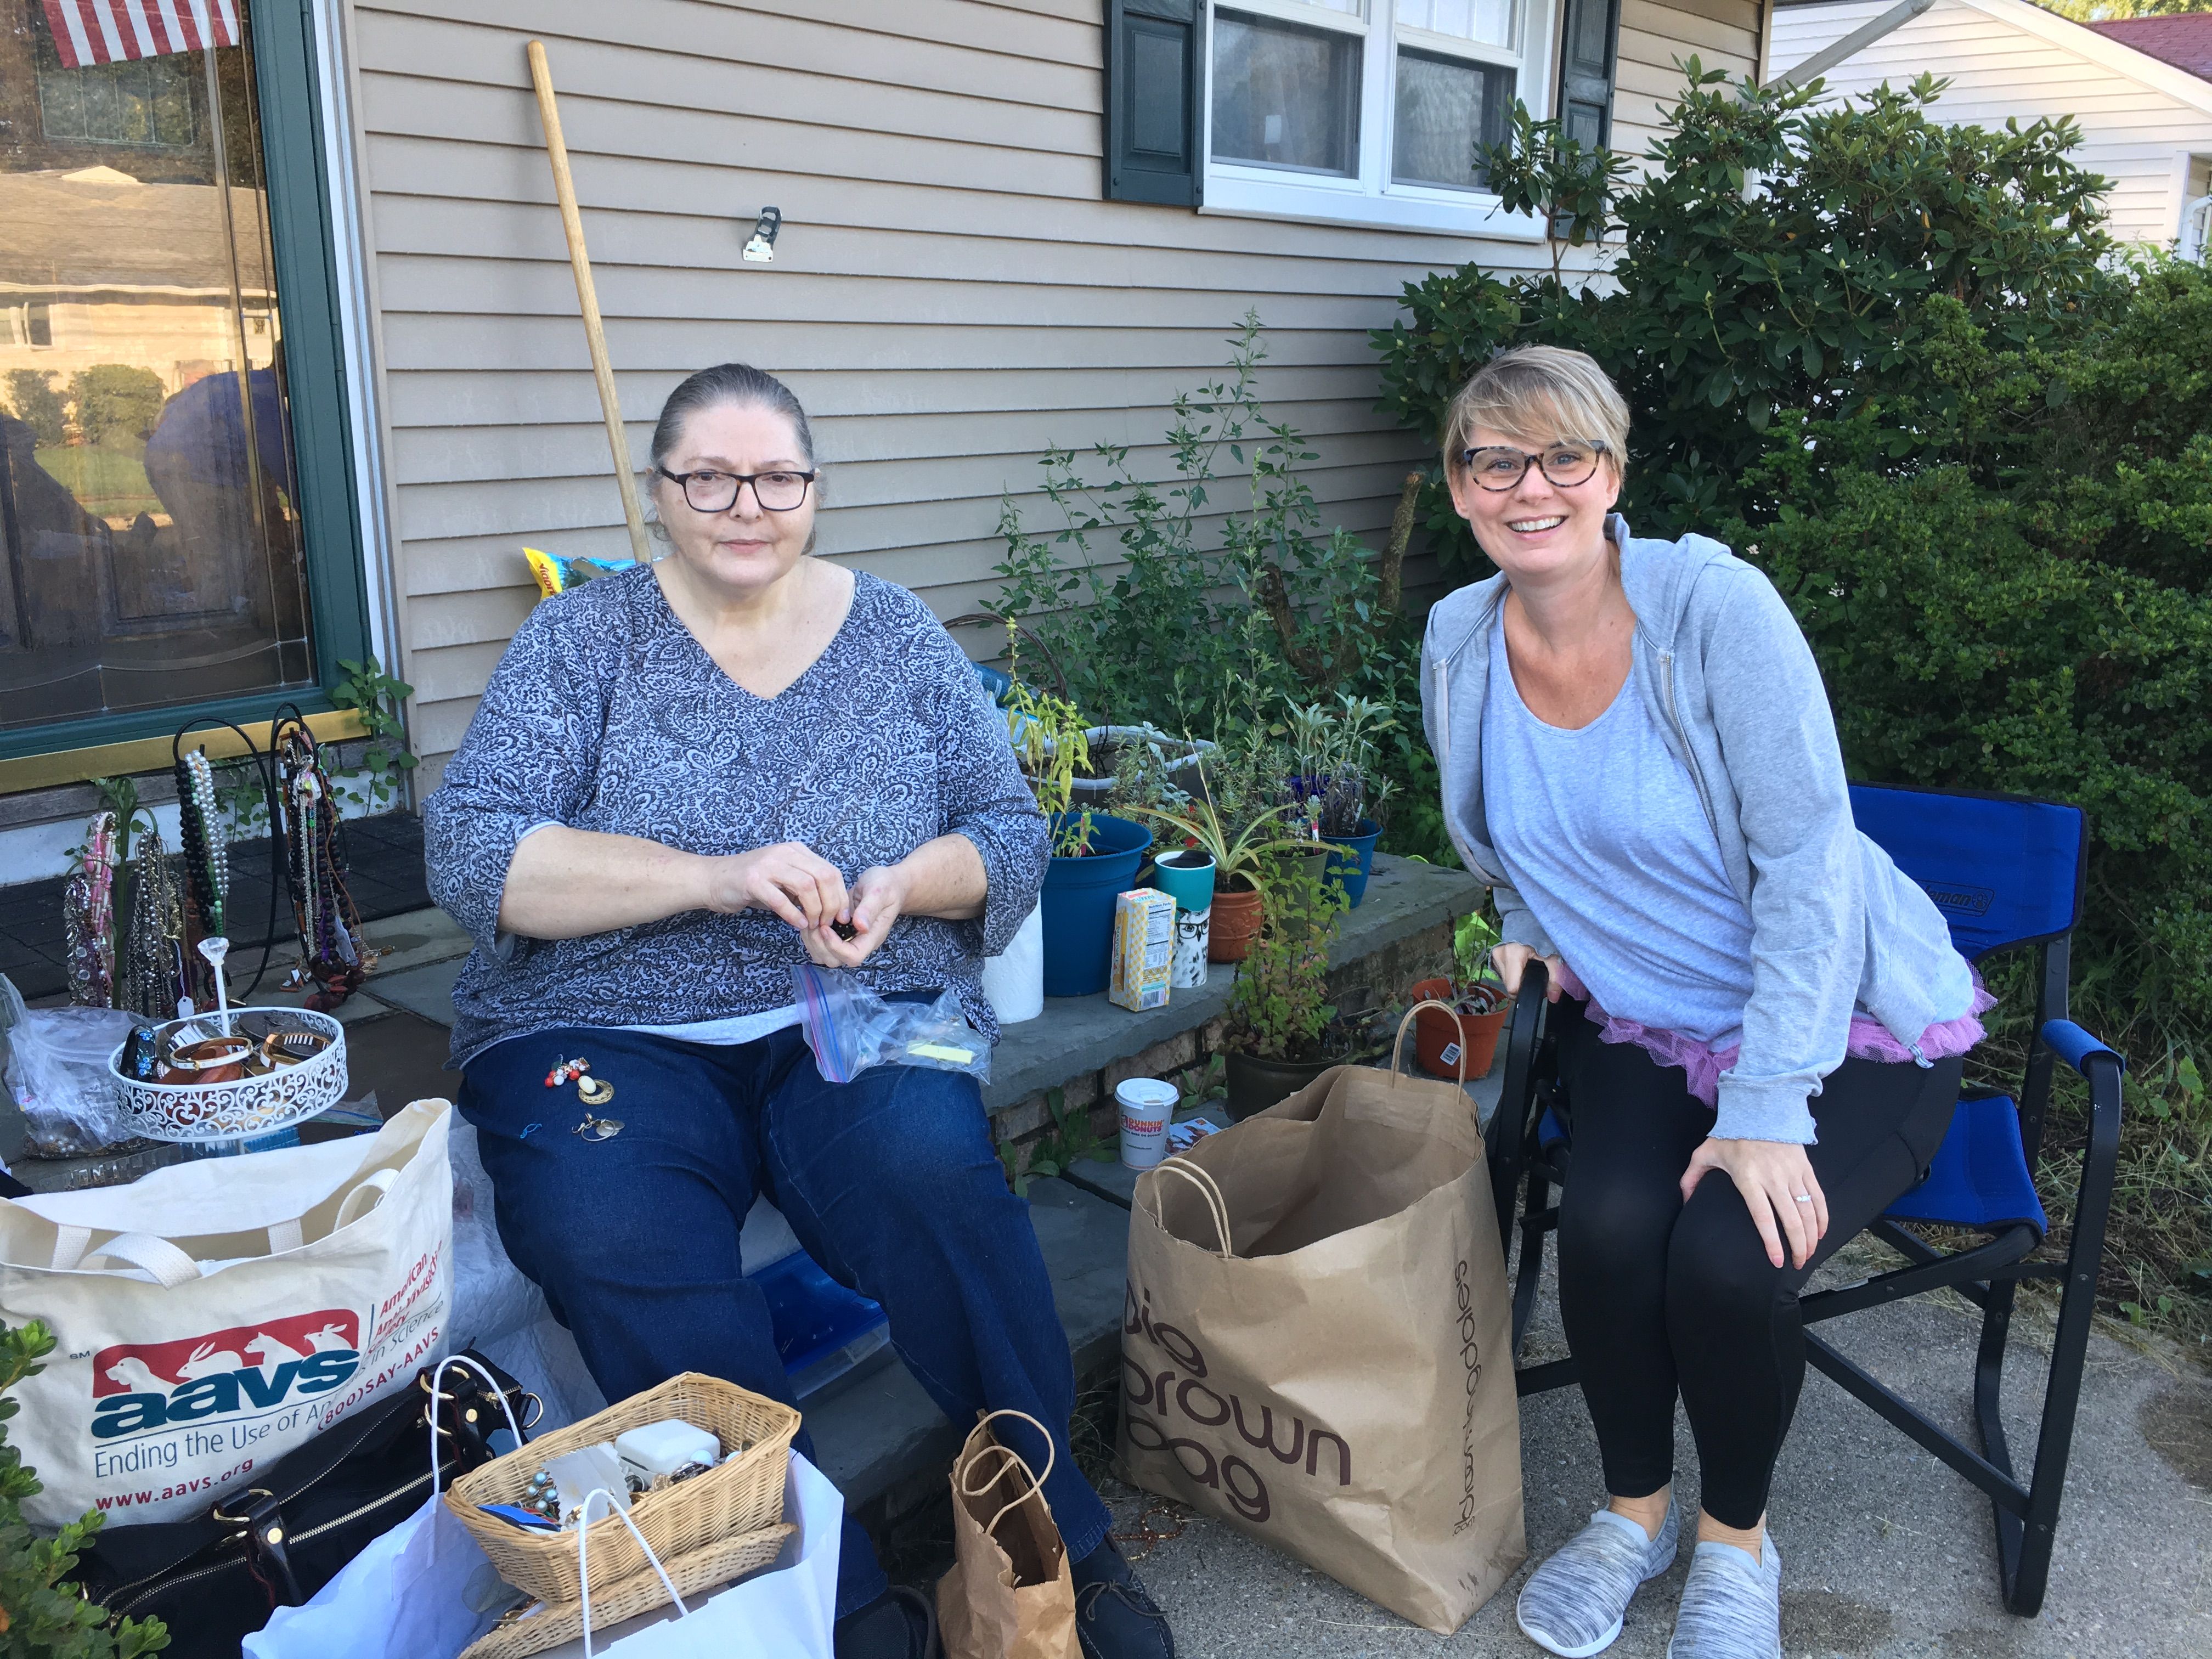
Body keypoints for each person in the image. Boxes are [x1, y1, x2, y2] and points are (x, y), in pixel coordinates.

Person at [424, 364, 1175, 1659]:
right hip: (607, 1024)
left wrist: (907, 883)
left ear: (814, 490)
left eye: (775, 477)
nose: (743, 505)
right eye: (706, 476)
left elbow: (1008, 831)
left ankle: (1059, 1539)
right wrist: (710, 878)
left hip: (851, 1006)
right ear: (660, 494)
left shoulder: (894, 634)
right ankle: (831, 1594)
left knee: (930, 1172)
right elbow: (476, 858)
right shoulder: (581, 642)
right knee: (604, 1220)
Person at [1418, 348, 1987, 1659]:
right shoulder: (1459, 640)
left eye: (1567, 456)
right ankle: (1636, 1517)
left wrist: (1770, 1107)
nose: (1531, 486)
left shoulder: (1713, 610)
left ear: (1613, 474)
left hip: (1836, 1023)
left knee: (1729, 1257)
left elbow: (1808, 867)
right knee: (1611, 1234)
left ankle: (1738, 1541)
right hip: (1646, 1022)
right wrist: (1525, 933)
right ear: (1459, 488)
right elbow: (1503, 835)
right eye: (1494, 460)